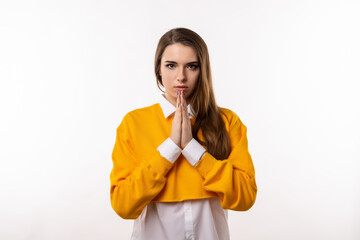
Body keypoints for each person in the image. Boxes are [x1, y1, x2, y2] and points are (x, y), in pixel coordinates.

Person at [110, 27, 257, 240]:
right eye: (171, 65)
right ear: (158, 69)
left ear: (202, 70)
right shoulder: (134, 123)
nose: (181, 76)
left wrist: (192, 149)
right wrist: (170, 148)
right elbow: (123, 205)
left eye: (192, 66)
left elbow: (246, 198)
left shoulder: (226, 121)